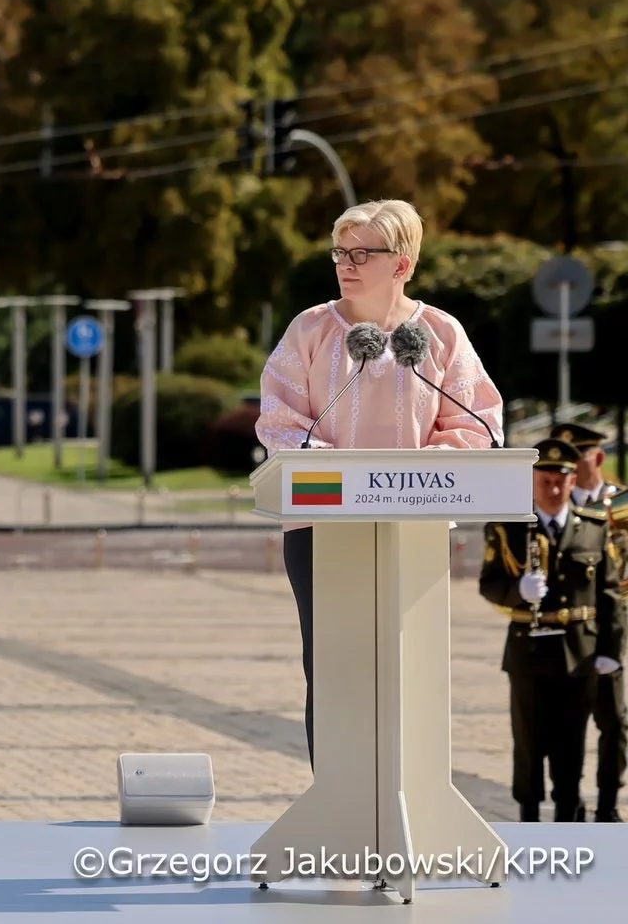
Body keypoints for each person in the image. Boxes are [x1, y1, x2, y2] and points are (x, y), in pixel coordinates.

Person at [255, 198, 502, 762]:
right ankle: (336, 796)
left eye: (363, 252)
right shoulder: (311, 329)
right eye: (341, 251)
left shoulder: (440, 332)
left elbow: (477, 423)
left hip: (413, 530)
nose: (346, 262)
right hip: (322, 529)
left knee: (408, 664)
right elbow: (279, 421)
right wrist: (344, 474)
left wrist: (411, 476)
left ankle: (407, 786)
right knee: (335, 669)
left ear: (403, 264)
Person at [480, 439, 622, 821]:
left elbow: (609, 595)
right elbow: (489, 583)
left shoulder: (592, 528)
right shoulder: (508, 526)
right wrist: (517, 593)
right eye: (545, 480)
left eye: (561, 481)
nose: (553, 489)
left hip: (580, 652)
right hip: (528, 652)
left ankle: (567, 819)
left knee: (571, 743)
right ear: (532, 479)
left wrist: (611, 650)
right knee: (528, 742)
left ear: (573, 479)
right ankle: (528, 818)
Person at [557, 420, 625, 820]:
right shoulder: (563, 504)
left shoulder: (618, 501)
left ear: (597, 456)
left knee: (615, 720)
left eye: (577, 455)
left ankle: (607, 803)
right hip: (573, 623)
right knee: (570, 719)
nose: (570, 464)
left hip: (614, 622)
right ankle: (571, 803)